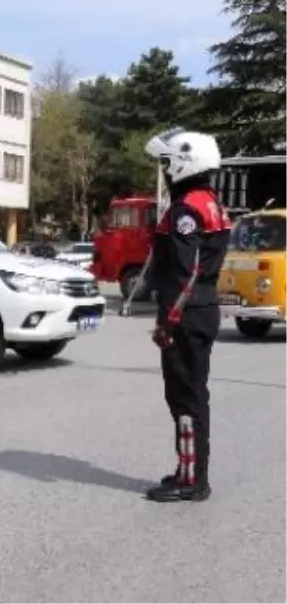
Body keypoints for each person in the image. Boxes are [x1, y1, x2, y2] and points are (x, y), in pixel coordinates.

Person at [140, 127, 230, 503]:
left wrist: (168, 322)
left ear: (182, 161)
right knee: (193, 396)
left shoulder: (185, 210)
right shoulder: (210, 201)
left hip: (188, 313)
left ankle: (192, 479)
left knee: (185, 398)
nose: (163, 170)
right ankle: (189, 469)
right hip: (203, 310)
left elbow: (186, 271)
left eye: (165, 162)